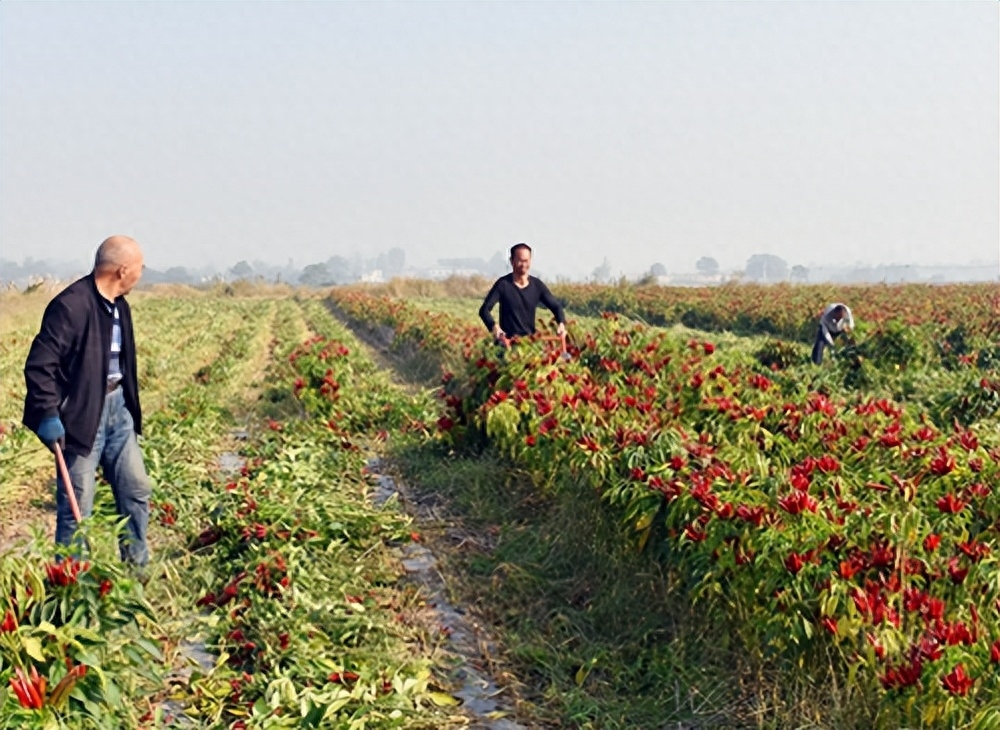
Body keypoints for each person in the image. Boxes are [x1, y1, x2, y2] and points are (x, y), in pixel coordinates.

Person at [23, 235, 152, 566]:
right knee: (76, 505)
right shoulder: (70, 306)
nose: (141, 274)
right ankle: (70, 583)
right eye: (139, 267)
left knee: (135, 489)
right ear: (123, 270)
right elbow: (40, 366)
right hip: (81, 417)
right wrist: (49, 414)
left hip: (118, 410)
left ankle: (136, 568)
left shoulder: (120, 306)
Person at [479, 243, 567, 345]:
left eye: (526, 261)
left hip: (529, 344)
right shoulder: (503, 284)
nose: (523, 265)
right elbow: (484, 310)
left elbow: (556, 307)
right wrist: (494, 327)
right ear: (512, 261)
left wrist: (561, 324)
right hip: (507, 343)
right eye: (520, 261)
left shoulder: (537, 286)